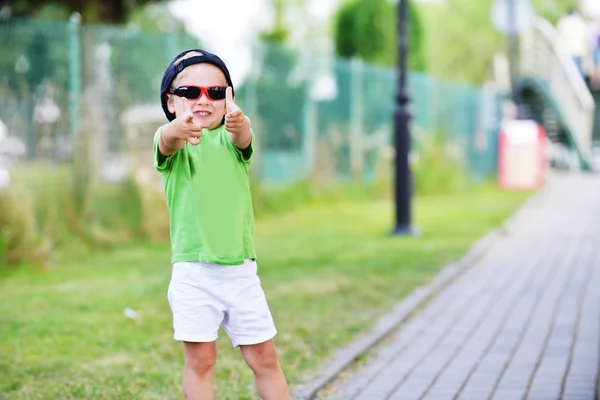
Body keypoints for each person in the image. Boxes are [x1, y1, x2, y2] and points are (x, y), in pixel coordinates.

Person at [154, 48, 291, 400]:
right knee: (201, 361)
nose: (203, 99)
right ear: (171, 101)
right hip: (194, 273)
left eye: (215, 92)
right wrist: (176, 129)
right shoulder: (172, 142)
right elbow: (167, 141)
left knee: (264, 357)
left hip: (240, 272)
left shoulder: (232, 140)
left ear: (228, 99)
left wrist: (240, 123)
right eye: (190, 92)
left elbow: (243, 137)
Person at [557, 8, 591, 78]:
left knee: (567, 73)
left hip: (567, 50)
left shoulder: (563, 22)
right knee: (578, 73)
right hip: (577, 50)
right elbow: (585, 36)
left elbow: (559, 35)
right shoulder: (579, 22)